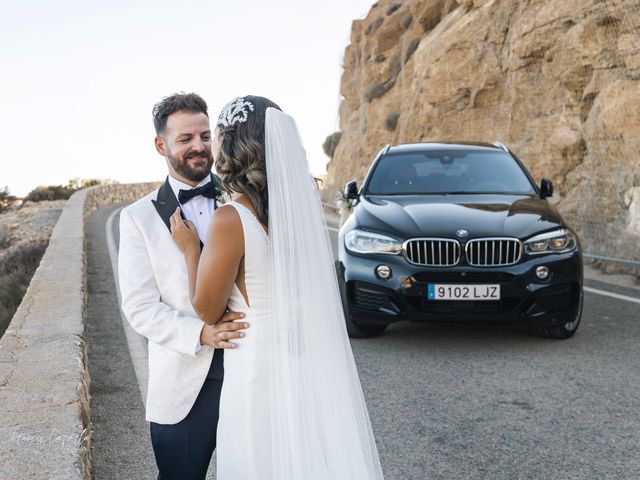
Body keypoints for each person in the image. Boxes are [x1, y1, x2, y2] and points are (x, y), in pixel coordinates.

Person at [171, 96, 384, 479]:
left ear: (233, 144)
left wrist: (190, 251)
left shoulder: (230, 218)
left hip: (255, 369)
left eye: (216, 135)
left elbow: (206, 309)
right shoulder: (294, 217)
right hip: (300, 363)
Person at [118, 92, 248, 479]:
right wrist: (201, 333)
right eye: (186, 139)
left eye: (205, 136)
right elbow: (140, 306)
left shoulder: (246, 198)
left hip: (253, 364)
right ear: (161, 145)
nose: (199, 147)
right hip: (184, 377)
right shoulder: (138, 218)